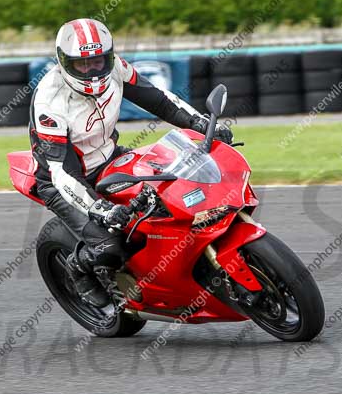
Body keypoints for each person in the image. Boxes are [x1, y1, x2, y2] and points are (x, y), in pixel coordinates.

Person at [29, 18, 232, 308]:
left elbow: (160, 100)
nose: (92, 71)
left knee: (167, 200)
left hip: (110, 156)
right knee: (110, 245)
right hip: (63, 179)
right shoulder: (50, 101)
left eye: (98, 62)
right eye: (82, 65)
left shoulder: (116, 69)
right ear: (64, 62)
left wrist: (198, 122)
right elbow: (61, 171)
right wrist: (100, 208)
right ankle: (78, 269)